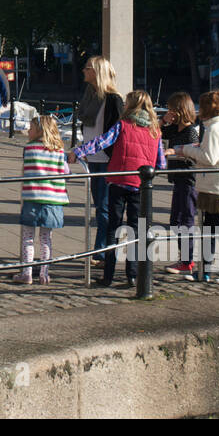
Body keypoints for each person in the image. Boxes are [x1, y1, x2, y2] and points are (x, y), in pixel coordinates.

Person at [68, 89, 166, 287]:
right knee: (136, 230)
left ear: (130, 105)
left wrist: (79, 151)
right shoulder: (155, 130)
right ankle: (132, 274)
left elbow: (101, 141)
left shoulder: (123, 125)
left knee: (114, 228)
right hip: (140, 186)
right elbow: (160, 163)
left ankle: (108, 275)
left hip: (119, 181)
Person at [172, 90, 219, 284]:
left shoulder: (214, 129)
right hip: (216, 185)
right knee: (211, 231)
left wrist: (186, 150)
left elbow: (209, 157)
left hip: (216, 187)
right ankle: (206, 269)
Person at [76, 55, 125, 262]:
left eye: (87, 68)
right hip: (93, 158)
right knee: (100, 206)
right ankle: (102, 249)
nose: (84, 71)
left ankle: (102, 250)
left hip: (106, 158)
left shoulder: (113, 100)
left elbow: (115, 133)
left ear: (97, 72)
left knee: (104, 207)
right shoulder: (90, 96)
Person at [14, 114, 70, 285]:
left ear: (39, 131)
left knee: (27, 237)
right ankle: (44, 273)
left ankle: (27, 272)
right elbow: (65, 172)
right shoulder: (59, 151)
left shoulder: (29, 149)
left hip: (32, 197)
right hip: (53, 200)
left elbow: (25, 170)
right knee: (46, 238)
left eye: (30, 128)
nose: (28, 131)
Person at [161, 92, 200, 275]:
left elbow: (192, 152)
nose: (170, 112)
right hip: (177, 179)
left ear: (180, 110)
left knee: (185, 219)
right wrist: (163, 120)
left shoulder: (190, 131)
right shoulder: (173, 128)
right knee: (175, 220)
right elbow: (155, 132)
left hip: (188, 180)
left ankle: (187, 260)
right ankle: (183, 258)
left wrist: (173, 151)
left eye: (172, 109)